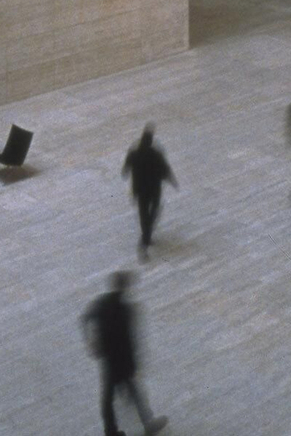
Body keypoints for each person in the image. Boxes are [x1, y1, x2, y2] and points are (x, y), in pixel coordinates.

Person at [82, 271, 168, 436]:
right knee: (129, 392)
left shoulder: (102, 303)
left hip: (108, 357)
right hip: (122, 360)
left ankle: (112, 430)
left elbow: (85, 319)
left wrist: (91, 342)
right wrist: (135, 361)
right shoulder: (126, 310)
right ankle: (146, 424)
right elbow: (131, 340)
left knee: (110, 396)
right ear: (126, 287)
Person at [121, 123, 178, 257]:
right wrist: (172, 181)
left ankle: (146, 235)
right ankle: (146, 236)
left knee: (143, 213)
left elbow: (125, 170)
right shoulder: (156, 154)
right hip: (154, 190)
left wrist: (126, 172)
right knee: (154, 211)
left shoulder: (134, 153)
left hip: (140, 190)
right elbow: (165, 169)